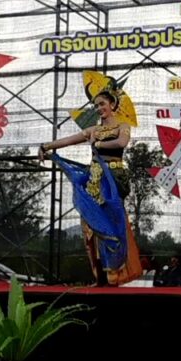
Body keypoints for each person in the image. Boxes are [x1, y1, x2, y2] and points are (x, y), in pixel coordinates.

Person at [40, 74, 142, 286]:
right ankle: (100, 276)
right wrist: (47, 146)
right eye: (96, 105)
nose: (99, 108)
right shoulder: (94, 130)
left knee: (111, 224)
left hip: (111, 181)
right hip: (93, 180)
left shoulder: (122, 126)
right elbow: (69, 140)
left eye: (102, 104)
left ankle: (114, 274)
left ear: (112, 104)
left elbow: (122, 143)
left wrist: (98, 145)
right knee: (91, 227)